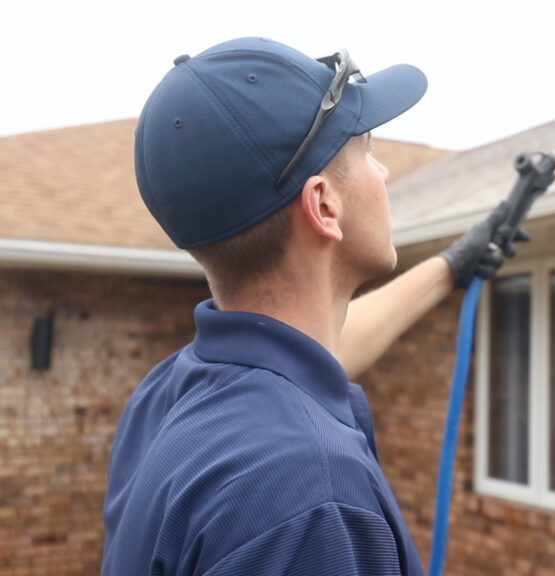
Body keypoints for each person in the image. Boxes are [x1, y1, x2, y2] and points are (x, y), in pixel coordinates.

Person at [102, 37, 521, 576]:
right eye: (366, 148)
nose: (385, 173)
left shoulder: (167, 395)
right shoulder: (312, 497)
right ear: (324, 204)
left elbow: (308, 358)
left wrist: (451, 266)